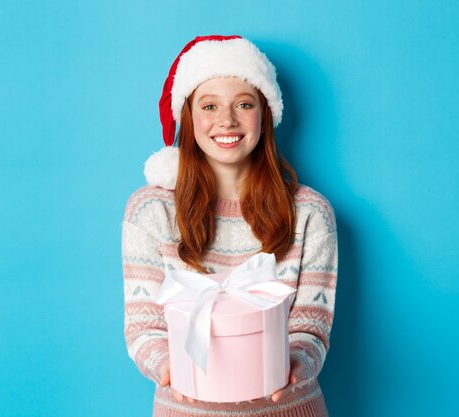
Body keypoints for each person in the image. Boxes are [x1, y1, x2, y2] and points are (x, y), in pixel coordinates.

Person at [122, 35, 338, 417]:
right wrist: (170, 370)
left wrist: (296, 363)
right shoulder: (149, 211)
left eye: (243, 104)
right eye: (209, 105)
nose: (227, 120)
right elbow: (145, 327)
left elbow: (311, 328)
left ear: (265, 114)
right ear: (188, 117)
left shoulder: (310, 213)